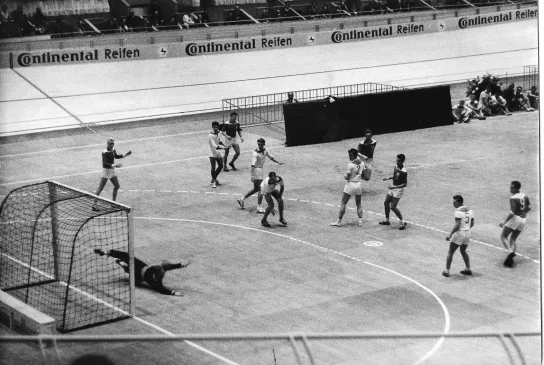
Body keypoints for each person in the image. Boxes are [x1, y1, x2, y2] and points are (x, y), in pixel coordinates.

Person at [94, 249, 191, 296]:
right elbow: (163, 290)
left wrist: (174, 293)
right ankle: (116, 258)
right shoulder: (157, 281)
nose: (163, 270)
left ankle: (117, 259)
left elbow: (166, 267)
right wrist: (174, 293)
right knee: (129, 262)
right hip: (140, 273)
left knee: (128, 263)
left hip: (139, 272)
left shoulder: (156, 270)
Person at [237, 138, 283, 212]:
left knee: (256, 189)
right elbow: (252, 165)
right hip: (257, 171)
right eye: (258, 144)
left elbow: (271, 157)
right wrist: (252, 176)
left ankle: (241, 199)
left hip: (260, 170)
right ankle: (259, 207)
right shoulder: (255, 153)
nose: (260, 146)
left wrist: (278, 162)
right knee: (261, 189)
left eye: (261, 144)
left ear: (264, 144)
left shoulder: (265, 150)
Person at [331, 148, 367, 227]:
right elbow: (364, 175)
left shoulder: (350, 164)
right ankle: (360, 221)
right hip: (358, 184)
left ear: (355, 155)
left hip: (350, 184)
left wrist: (345, 176)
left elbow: (347, 177)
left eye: (351, 155)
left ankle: (338, 221)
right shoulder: (362, 163)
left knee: (343, 203)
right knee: (359, 204)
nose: (349, 157)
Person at [92, 138, 132, 211]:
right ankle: (94, 204)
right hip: (106, 171)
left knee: (117, 186)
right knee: (100, 188)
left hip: (111, 170)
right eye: (110, 144)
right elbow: (105, 163)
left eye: (113, 143)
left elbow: (116, 156)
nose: (112, 145)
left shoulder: (113, 149)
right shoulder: (104, 152)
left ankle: (113, 203)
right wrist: (115, 166)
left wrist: (125, 155)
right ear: (107, 144)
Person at [499, 181, 531, 268]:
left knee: (503, 236)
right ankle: (510, 260)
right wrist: (523, 214)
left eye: (512, 187)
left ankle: (510, 252)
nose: (510, 188)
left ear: (517, 188)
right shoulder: (524, 195)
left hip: (516, 218)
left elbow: (512, 212)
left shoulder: (513, 198)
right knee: (512, 239)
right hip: (523, 219)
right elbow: (528, 208)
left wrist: (504, 222)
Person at [442, 195, 474, 277]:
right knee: (463, 251)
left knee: (450, 251)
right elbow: (472, 223)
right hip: (468, 233)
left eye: (454, 202)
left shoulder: (458, 212)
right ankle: (468, 269)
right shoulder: (470, 210)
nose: (453, 204)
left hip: (460, 234)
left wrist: (450, 235)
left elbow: (457, 225)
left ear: (459, 202)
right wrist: (466, 228)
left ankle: (447, 271)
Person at [379, 154, 408, 230]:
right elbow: (395, 176)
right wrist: (388, 178)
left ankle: (402, 222)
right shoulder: (396, 166)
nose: (397, 161)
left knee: (393, 207)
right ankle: (387, 220)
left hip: (398, 190)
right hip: (393, 187)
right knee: (386, 203)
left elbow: (405, 184)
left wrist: (394, 187)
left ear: (402, 161)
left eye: (398, 160)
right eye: (397, 160)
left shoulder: (404, 171)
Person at [208, 121, 226, 188]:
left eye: (216, 127)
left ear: (218, 127)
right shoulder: (210, 135)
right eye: (214, 127)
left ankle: (213, 178)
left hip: (217, 151)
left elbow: (220, 142)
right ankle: (214, 181)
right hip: (211, 151)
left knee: (221, 165)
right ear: (212, 127)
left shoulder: (219, 133)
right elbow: (214, 145)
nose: (215, 128)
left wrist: (224, 145)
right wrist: (224, 147)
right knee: (213, 167)